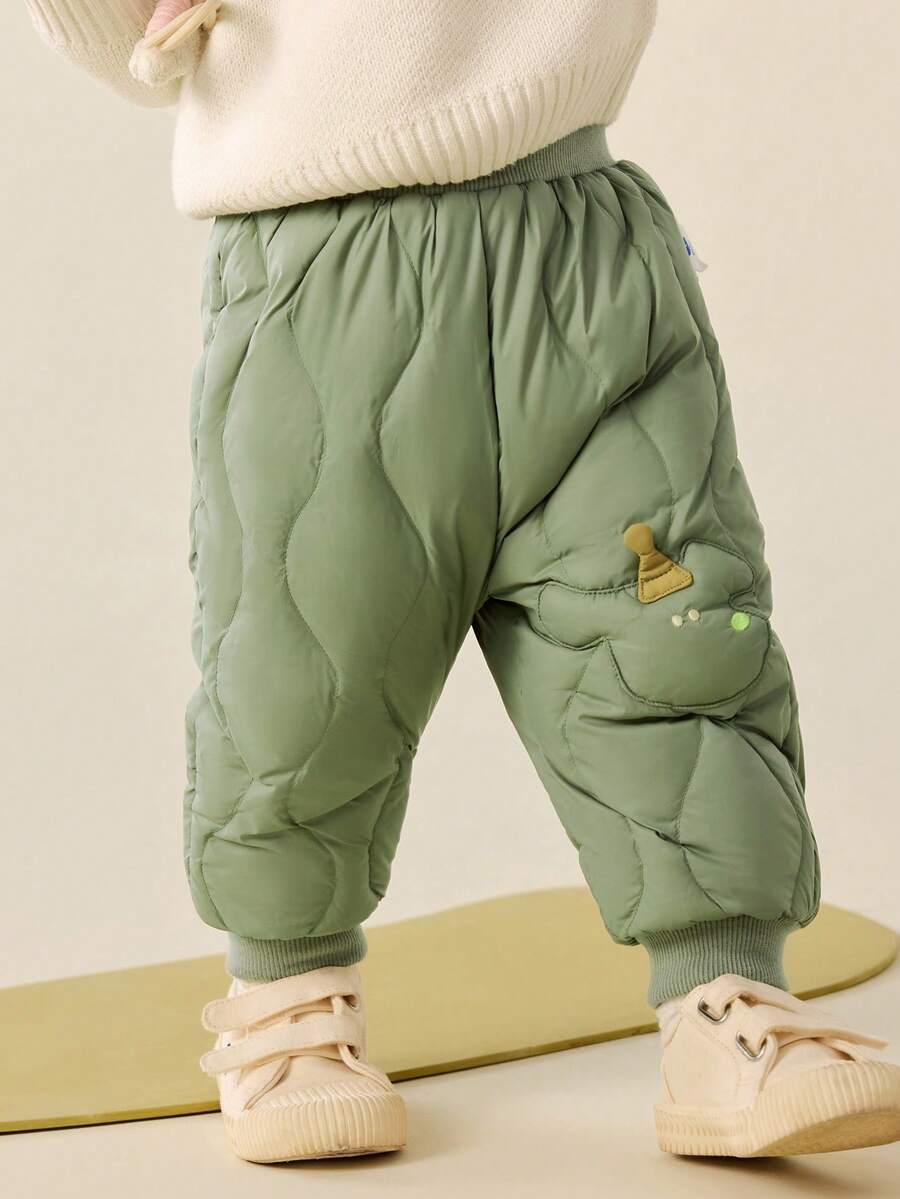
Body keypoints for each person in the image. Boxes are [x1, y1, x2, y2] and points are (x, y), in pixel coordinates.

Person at [26, 0, 900, 1165]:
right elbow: (124, 48)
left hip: (582, 243)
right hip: (323, 273)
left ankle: (726, 998)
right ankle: (286, 997)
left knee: (675, 633)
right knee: (300, 664)